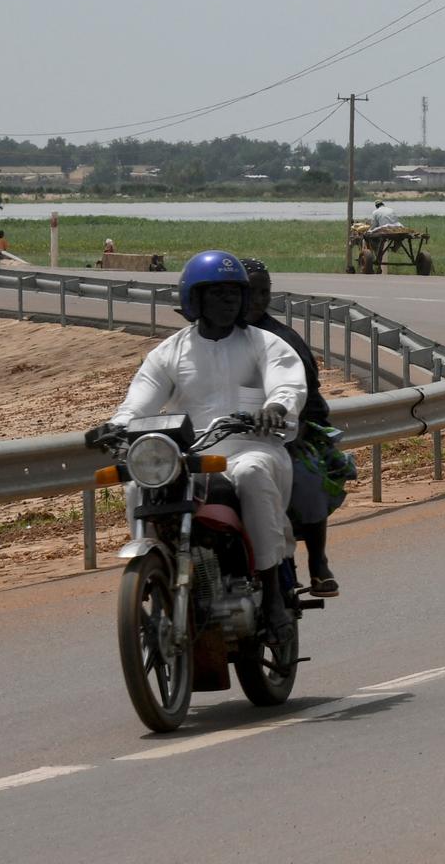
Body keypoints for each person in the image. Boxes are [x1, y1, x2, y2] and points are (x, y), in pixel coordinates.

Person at [106, 251, 307, 641]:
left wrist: (275, 406)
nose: (228, 300)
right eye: (216, 292)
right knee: (137, 483)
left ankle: (272, 599)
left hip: (253, 448)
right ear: (194, 300)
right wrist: (116, 427)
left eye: (234, 292)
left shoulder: (264, 344)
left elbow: (287, 383)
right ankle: (154, 571)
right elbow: (138, 401)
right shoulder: (169, 353)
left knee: (250, 473)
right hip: (190, 458)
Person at [242, 258, 344, 598]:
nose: (256, 301)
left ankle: (318, 561)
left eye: (263, 293)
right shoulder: (212, 338)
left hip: (292, 427)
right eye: (248, 293)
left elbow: (303, 395)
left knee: (305, 477)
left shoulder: (284, 340)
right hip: (230, 434)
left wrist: (289, 425)